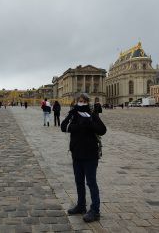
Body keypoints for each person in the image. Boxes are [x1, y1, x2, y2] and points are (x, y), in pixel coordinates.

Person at [61, 93, 107, 223]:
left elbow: (102, 130)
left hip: (90, 155)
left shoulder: (92, 114)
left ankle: (95, 210)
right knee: (79, 181)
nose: (81, 103)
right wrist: (78, 125)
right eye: (79, 101)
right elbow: (63, 127)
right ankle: (81, 205)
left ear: (87, 102)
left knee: (91, 182)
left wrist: (89, 124)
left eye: (83, 101)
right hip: (77, 154)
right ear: (76, 102)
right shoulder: (73, 114)